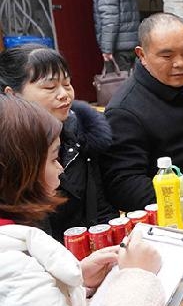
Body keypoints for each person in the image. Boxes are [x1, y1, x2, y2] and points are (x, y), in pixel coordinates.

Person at [0, 94, 165, 306]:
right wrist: (137, 279)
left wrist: (75, 282)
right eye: (53, 159)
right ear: (19, 170)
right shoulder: (10, 271)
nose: (61, 170)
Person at [101, 12, 183, 212]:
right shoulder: (124, 111)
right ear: (142, 55)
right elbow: (124, 185)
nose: (180, 63)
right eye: (167, 56)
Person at [0, 44, 116, 241]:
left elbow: (100, 205)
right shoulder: (9, 153)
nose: (64, 94)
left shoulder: (82, 134)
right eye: (50, 87)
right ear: (13, 94)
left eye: (67, 84)